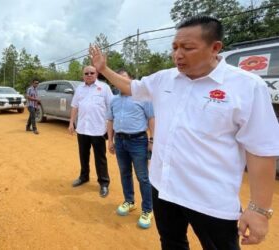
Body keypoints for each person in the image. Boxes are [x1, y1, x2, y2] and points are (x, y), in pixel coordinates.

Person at [89, 16, 279, 249]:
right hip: (163, 188)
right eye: (175, 47)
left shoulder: (247, 86)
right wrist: (104, 69)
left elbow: (262, 150)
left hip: (210, 200)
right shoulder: (164, 79)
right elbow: (131, 87)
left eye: (187, 48)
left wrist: (259, 210)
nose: (178, 54)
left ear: (215, 47)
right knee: (171, 242)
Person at [107, 69, 155, 229]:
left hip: (138, 141)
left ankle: (147, 209)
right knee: (125, 173)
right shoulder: (114, 100)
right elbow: (110, 120)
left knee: (143, 177)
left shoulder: (143, 98)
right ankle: (129, 201)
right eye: (117, 79)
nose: (120, 82)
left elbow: (151, 118)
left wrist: (152, 140)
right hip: (120, 141)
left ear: (132, 81)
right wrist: (110, 141)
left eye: (124, 79)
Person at [69, 66, 113, 197]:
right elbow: (74, 106)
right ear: (83, 75)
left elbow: (111, 107)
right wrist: (71, 122)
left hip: (98, 129)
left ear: (97, 74)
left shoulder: (104, 88)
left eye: (92, 73)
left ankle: (104, 183)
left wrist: (111, 127)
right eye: (86, 73)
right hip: (82, 128)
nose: (89, 75)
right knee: (83, 155)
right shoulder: (79, 89)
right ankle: (84, 177)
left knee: (100, 158)